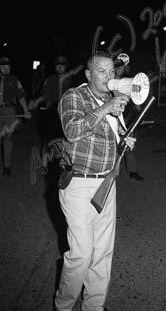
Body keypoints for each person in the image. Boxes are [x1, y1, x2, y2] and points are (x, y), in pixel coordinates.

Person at [54, 53, 136, 311]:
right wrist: (105, 109)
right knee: (81, 255)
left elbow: (112, 136)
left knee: (102, 253)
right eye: (101, 71)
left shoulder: (112, 101)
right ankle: (64, 306)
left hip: (106, 184)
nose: (109, 76)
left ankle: (94, 306)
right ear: (88, 75)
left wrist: (124, 140)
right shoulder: (73, 97)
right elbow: (73, 130)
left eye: (112, 71)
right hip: (79, 184)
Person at [114, 55, 145, 181]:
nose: (120, 69)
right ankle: (111, 170)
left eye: (122, 66)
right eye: (118, 66)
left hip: (128, 118)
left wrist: (139, 110)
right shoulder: (108, 82)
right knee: (112, 144)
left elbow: (137, 99)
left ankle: (132, 170)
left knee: (130, 145)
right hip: (112, 116)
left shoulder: (130, 81)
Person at [0, 56, 31, 176]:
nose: (6, 68)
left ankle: (7, 167)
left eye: (8, 66)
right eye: (2, 66)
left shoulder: (14, 80)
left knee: (8, 139)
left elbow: (21, 97)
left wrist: (26, 110)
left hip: (9, 112)